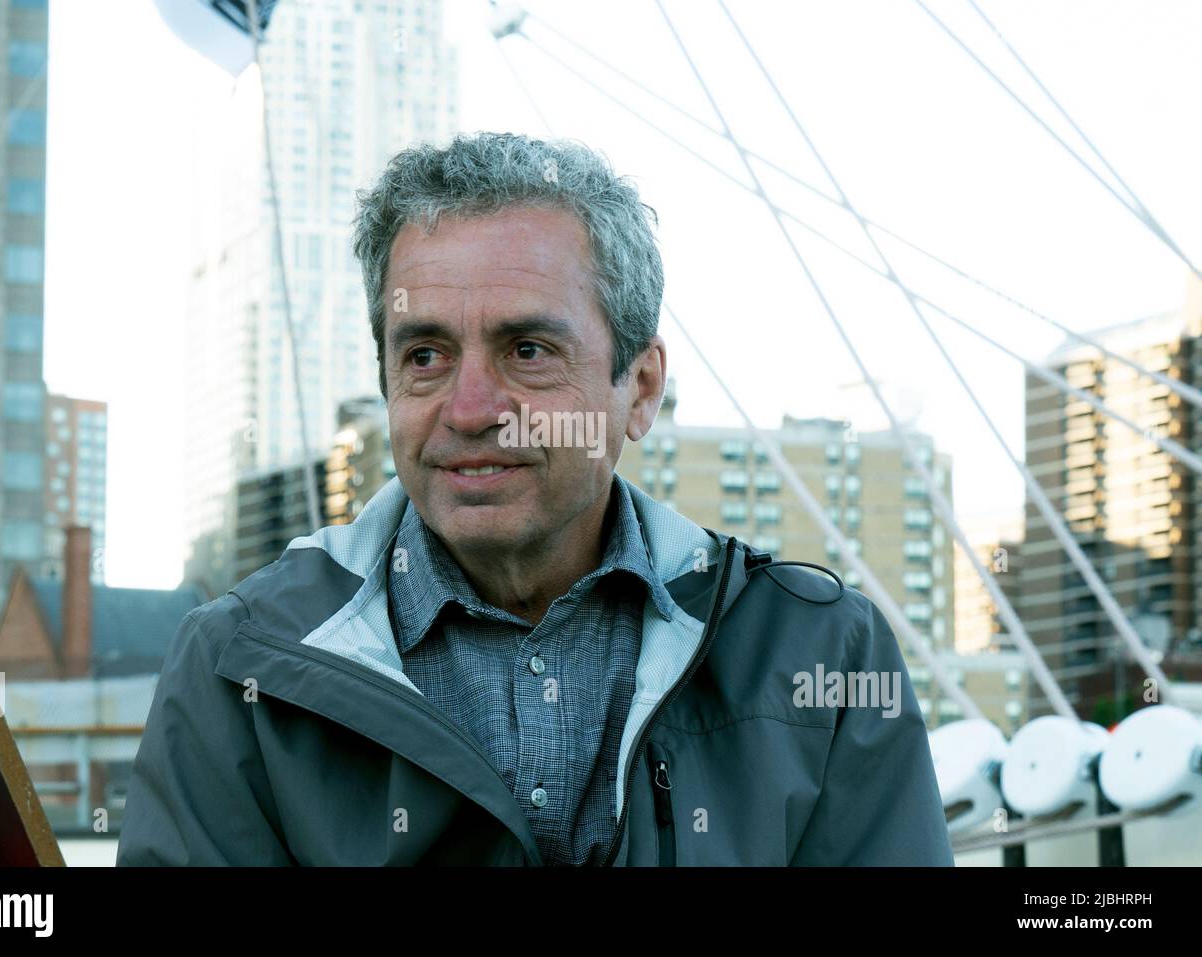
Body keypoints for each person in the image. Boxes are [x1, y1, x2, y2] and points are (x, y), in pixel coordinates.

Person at [117, 131, 953, 866]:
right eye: (425, 356)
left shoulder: (818, 655)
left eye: (526, 349)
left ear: (641, 388)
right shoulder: (240, 668)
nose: (471, 409)